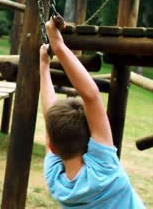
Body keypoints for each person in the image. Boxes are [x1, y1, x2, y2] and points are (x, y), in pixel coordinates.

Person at [39, 16, 144, 208]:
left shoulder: (55, 178)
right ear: (92, 140)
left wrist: (44, 66)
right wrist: (58, 46)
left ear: (52, 146)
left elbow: (51, 119)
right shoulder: (103, 169)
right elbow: (91, 96)